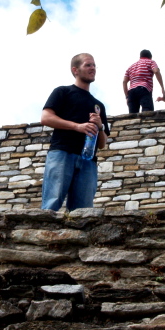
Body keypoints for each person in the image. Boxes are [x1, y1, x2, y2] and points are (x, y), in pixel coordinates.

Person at [40, 53, 110, 211]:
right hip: (62, 154)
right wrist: (77, 126)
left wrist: (99, 127)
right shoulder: (63, 92)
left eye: (94, 65)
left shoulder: (99, 106)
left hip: (88, 161)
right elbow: (45, 118)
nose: (93, 68)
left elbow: (102, 144)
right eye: (88, 65)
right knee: (51, 204)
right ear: (75, 70)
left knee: (83, 212)